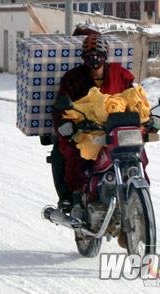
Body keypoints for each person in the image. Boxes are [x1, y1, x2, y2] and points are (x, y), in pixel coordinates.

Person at [52, 33, 134, 212]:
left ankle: (135, 191)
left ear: (106, 56)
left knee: (135, 152)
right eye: (90, 56)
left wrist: (146, 117)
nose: (95, 59)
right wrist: (64, 124)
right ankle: (72, 196)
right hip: (86, 130)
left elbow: (134, 99)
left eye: (99, 55)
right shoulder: (73, 78)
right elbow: (60, 107)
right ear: (83, 58)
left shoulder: (120, 75)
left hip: (116, 130)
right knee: (67, 153)